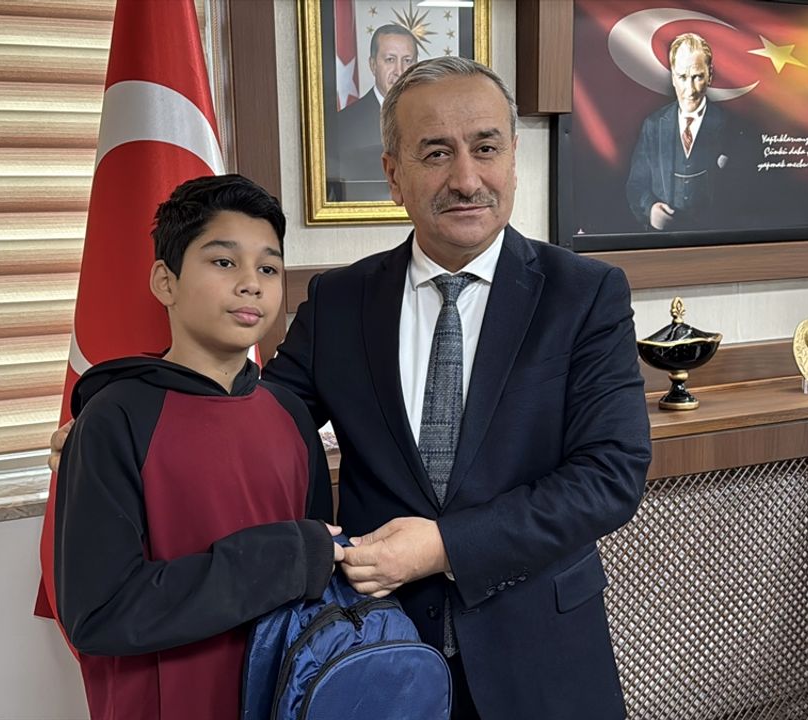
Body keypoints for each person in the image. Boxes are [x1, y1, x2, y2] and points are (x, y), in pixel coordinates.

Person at [52, 58, 650, 719]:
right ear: (393, 175)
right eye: (436, 153)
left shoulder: (585, 294)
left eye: (486, 148)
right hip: (373, 655)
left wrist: (444, 546)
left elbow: (610, 474)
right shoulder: (340, 301)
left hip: (541, 653)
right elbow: (250, 414)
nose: (466, 178)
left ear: (513, 158)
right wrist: (116, 416)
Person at [52, 174, 342, 720]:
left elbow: (317, 571)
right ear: (166, 281)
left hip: (284, 695)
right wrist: (283, 558)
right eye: (224, 262)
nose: (251, 284)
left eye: (268, 268)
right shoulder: (116, 418)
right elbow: (99, 611)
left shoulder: (290, 414)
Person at [625, 32, 746, 231]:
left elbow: (745, 194)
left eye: (697, 77)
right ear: (673, 77)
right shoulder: (653, 125)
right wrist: (650, 209)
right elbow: (636, 185)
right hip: (663, 243)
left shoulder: (731, 126)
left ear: (710, 75)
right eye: (682, 77)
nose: (690, 90)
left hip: (716, 241)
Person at [327, 24, 418, 200]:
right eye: (390, 60)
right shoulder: (342, 124)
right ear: (373, 65)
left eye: (407, 61)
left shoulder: (432, 118)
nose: (400, 71)